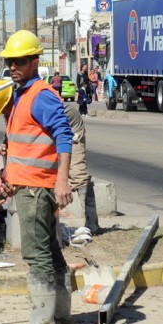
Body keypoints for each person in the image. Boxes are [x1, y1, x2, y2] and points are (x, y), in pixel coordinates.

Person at [0, 30, 74, 324]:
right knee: (52, 253)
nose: (13, 66)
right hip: (27, 185)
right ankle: (62, 318)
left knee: (37, 255)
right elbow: (26, 146)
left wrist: (62, 181)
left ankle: (43, 323)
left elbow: (64, 136)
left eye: (20, 61)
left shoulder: (40, 95)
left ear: (34, 62)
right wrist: (10, 179)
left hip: (38, 191)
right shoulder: (21, 94)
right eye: (10, 61)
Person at [62, 99, 101, 235]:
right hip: (51, 128)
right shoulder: (14, 108)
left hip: (72, 127)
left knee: (78, 173)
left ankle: (92, 223)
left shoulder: (39, 106)